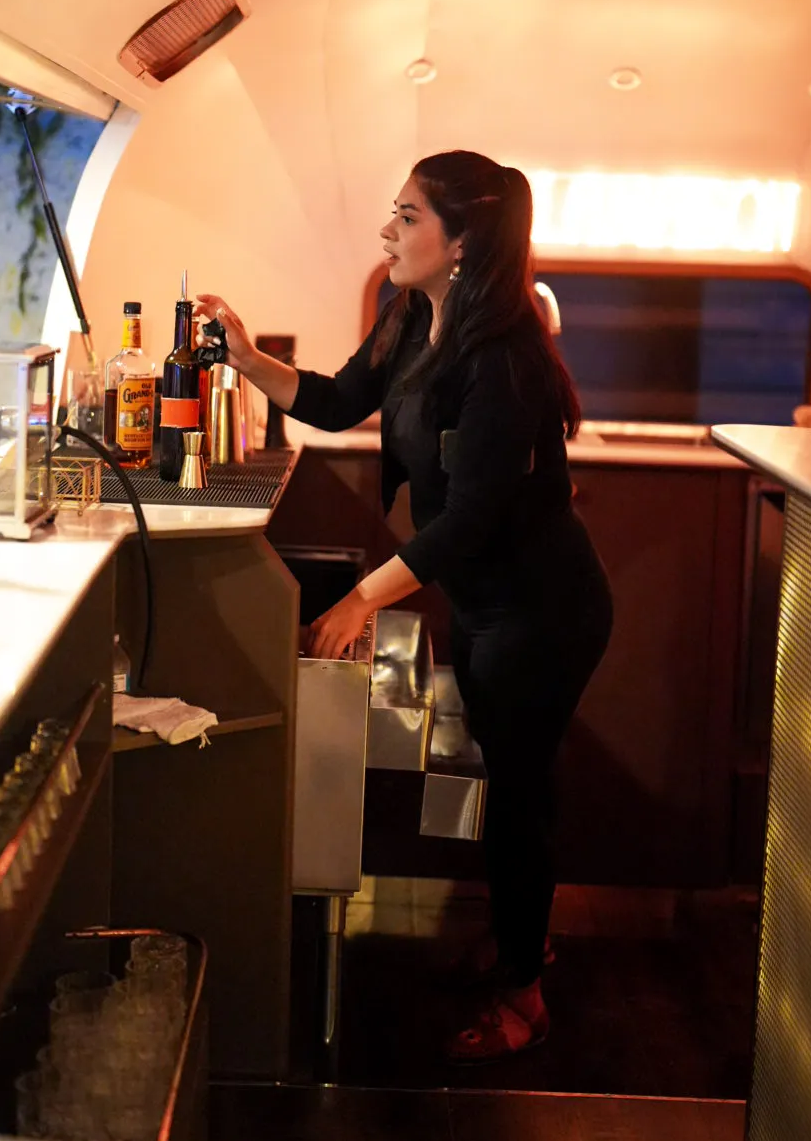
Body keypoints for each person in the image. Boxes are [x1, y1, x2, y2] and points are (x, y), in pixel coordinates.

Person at [195, 149, 612, 1062]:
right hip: (490, 600)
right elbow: (340, 403)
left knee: (519, 797)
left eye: (408, 216)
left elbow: (468, 521)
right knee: (511, 782)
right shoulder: (415, 318)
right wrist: (247, 357)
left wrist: (356, 602)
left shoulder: (501, 361)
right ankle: (520, 939)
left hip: (543, 610)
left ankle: (525, 995)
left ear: (462, 242)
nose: (388, 229)